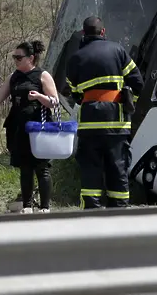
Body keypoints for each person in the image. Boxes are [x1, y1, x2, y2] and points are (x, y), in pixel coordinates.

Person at [0, 41, 58, 214]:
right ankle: (27, 206)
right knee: (25, 168)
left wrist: (39, 96)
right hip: (18, 127)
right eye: (14, 57)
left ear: (31, 58)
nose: (15, 60)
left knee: (41, 167)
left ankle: (45, 208)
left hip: (39, 127)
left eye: (19, 57)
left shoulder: (42, 75)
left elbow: (54, 102)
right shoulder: (14, 76)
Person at [65, 16, 144, 209]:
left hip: (89, 125)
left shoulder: (75, 58)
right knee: (118, 168)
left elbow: (75, 94)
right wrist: (128, 103)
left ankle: (91, 212)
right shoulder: (117, 50)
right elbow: (138, 83)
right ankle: (119, 210)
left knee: (90, 170)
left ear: (84, 33)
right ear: (103, 32)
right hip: (116, 124)